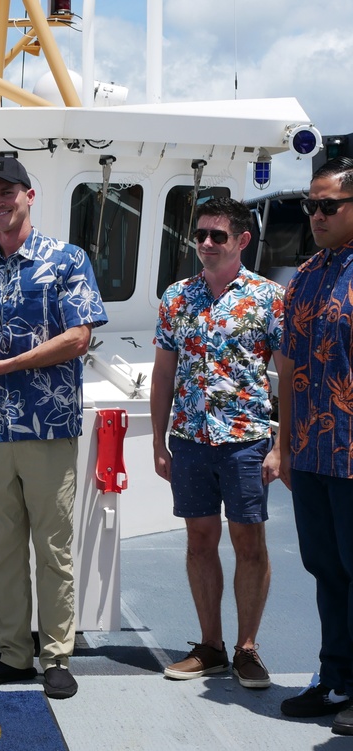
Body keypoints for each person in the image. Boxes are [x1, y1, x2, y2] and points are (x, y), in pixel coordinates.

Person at [0, 156, 107, 700]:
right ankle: (14, 654)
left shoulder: (67, 260)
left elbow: (79, 337)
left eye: (6, 192)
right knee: (2, 548)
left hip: (47, 426)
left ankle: (57, 655)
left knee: (53, 545)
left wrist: (6, 366)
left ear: (29, 195)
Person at [150, 197, 283, 689]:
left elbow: (286, 375)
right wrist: (160, 442)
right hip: (189, 439)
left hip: (246, 441)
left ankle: (247, 649)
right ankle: (211, 646)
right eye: (200, 235)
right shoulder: (176, 297)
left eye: (217, 236)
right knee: (199, 540)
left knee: (250, 543)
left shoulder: (269, 298)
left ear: (242, 240)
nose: (205, 244)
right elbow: (164, 374)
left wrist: (279, 446)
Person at [277, 156, 353, 734]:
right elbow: (286, 366)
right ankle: (334, 679)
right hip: (310, 451)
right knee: (326, 569)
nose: (316, 215)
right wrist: (283, 444)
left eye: (329, 205)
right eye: (311, 205)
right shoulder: (304, 276)